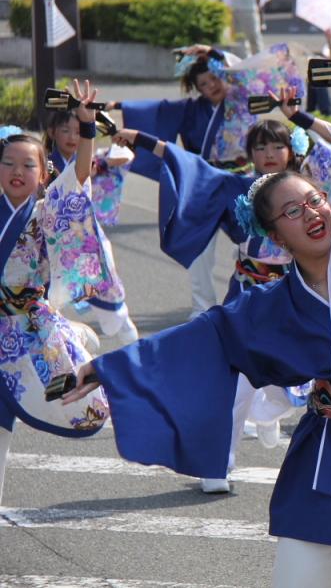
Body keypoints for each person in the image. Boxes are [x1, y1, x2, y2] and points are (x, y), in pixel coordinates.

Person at [61, 40, 331, 587]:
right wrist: (106, 367)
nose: (310, 212)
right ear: (272, 235)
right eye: (291, 212)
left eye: (313, 200)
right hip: (329, 450)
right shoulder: (269, 305)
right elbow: (202, 338)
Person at [112, 90, 331, 493]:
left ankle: (268, 417)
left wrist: (299, 117)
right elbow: (190, 166)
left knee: (295, 385)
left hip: (293, 297)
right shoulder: (237, 186)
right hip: (247, 295)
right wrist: (143, 139)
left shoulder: (309, 187)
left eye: (278, 145)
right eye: (261, 147)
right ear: (250, 153)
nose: (270, 154)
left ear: (292, 151)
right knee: (235, 382)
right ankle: (218, 466)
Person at [116, 44, 305, 316]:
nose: (212, 86)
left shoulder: (242, 98)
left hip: (245, 176)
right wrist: (124, 119)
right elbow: (166, 125)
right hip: (212, 182)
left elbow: (243, 71)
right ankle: (201, 309)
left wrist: (213, 53)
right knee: (202, 245)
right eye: (203, 83)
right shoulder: (192, 110)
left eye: (215, 78)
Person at [0, 81, 114, 503]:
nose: (17, 171)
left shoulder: (48, 212)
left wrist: (87, 129)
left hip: (25, 332)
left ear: (44, 173)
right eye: (8, 163)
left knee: (72, 403)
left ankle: (76, 333)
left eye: (28, 166)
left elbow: (79, 177)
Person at [42, 110, 139, 346]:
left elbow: (124, 157)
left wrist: (103, 160)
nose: (72, 137)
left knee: (108, 289)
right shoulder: (47, 160)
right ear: (52, 132)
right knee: (46, 296)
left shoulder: (88, 158)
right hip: (51, 238)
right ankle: (57, 346)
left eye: (77, 131)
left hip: (86, 236)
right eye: (65, 130)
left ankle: (130, 340)